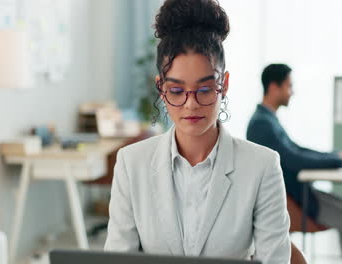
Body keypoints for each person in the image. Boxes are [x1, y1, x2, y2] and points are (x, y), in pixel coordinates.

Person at [105, 1, 291, 263]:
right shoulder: (130, 163)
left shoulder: (262, 166)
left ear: (223, 84)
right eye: (177, 91)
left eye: (204, 89)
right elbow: (117, 258)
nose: (191, 104)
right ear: (161, 87)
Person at [247, 64, 342, 264]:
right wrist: (339, 160)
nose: (292, 92)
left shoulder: (268, 120)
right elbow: (295, 159)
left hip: (302, 192)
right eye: (289, 86)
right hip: (294, 200)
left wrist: (338, 156)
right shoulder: (262, 125)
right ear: (274, 87)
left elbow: (297, 150)